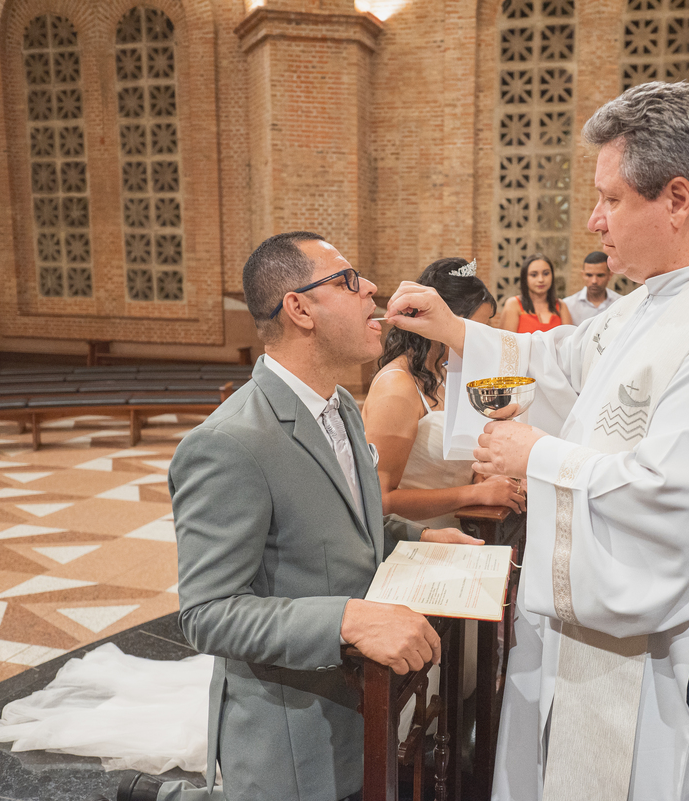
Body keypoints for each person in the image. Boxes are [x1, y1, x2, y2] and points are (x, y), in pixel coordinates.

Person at [387, 81, 689, 801]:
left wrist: (538, 459)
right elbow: (562, 364)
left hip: (669, 673)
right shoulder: (659, 296)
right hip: (599, 648)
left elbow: (674, 504)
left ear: (677, 199)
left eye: (612, 199)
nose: (594, 220)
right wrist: (454, 328)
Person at [114, 232, 481, 801]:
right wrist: (348, 621)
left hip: (362, 703)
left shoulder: (341, 409)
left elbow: (352, 528)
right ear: (299, 308)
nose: (372, 290)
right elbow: (208, 614)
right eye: (349, 280)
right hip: (294, 735)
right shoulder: (231, 443)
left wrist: (424, 535)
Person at [363, 257, 525, 529]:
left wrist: (481, 475)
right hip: (417, 540)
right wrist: (475, 494)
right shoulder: (397, 388)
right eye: (481, 326)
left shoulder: (447, 373)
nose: (485, 336)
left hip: (463, 528)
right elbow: (376, 500)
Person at [499, 253, 573, 333]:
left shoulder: (561, 306)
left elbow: (569, 342)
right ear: (525, 278)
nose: (541, 279)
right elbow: (507, 343)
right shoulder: (513, 304)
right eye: (534, 275)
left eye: (546, 274)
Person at [562, 251, 622, 325]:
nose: (594, 281)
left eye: (600, 275)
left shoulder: (620, 303)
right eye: (589, 275)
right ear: (583, 275)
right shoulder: (568, 305)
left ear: (610, 275)